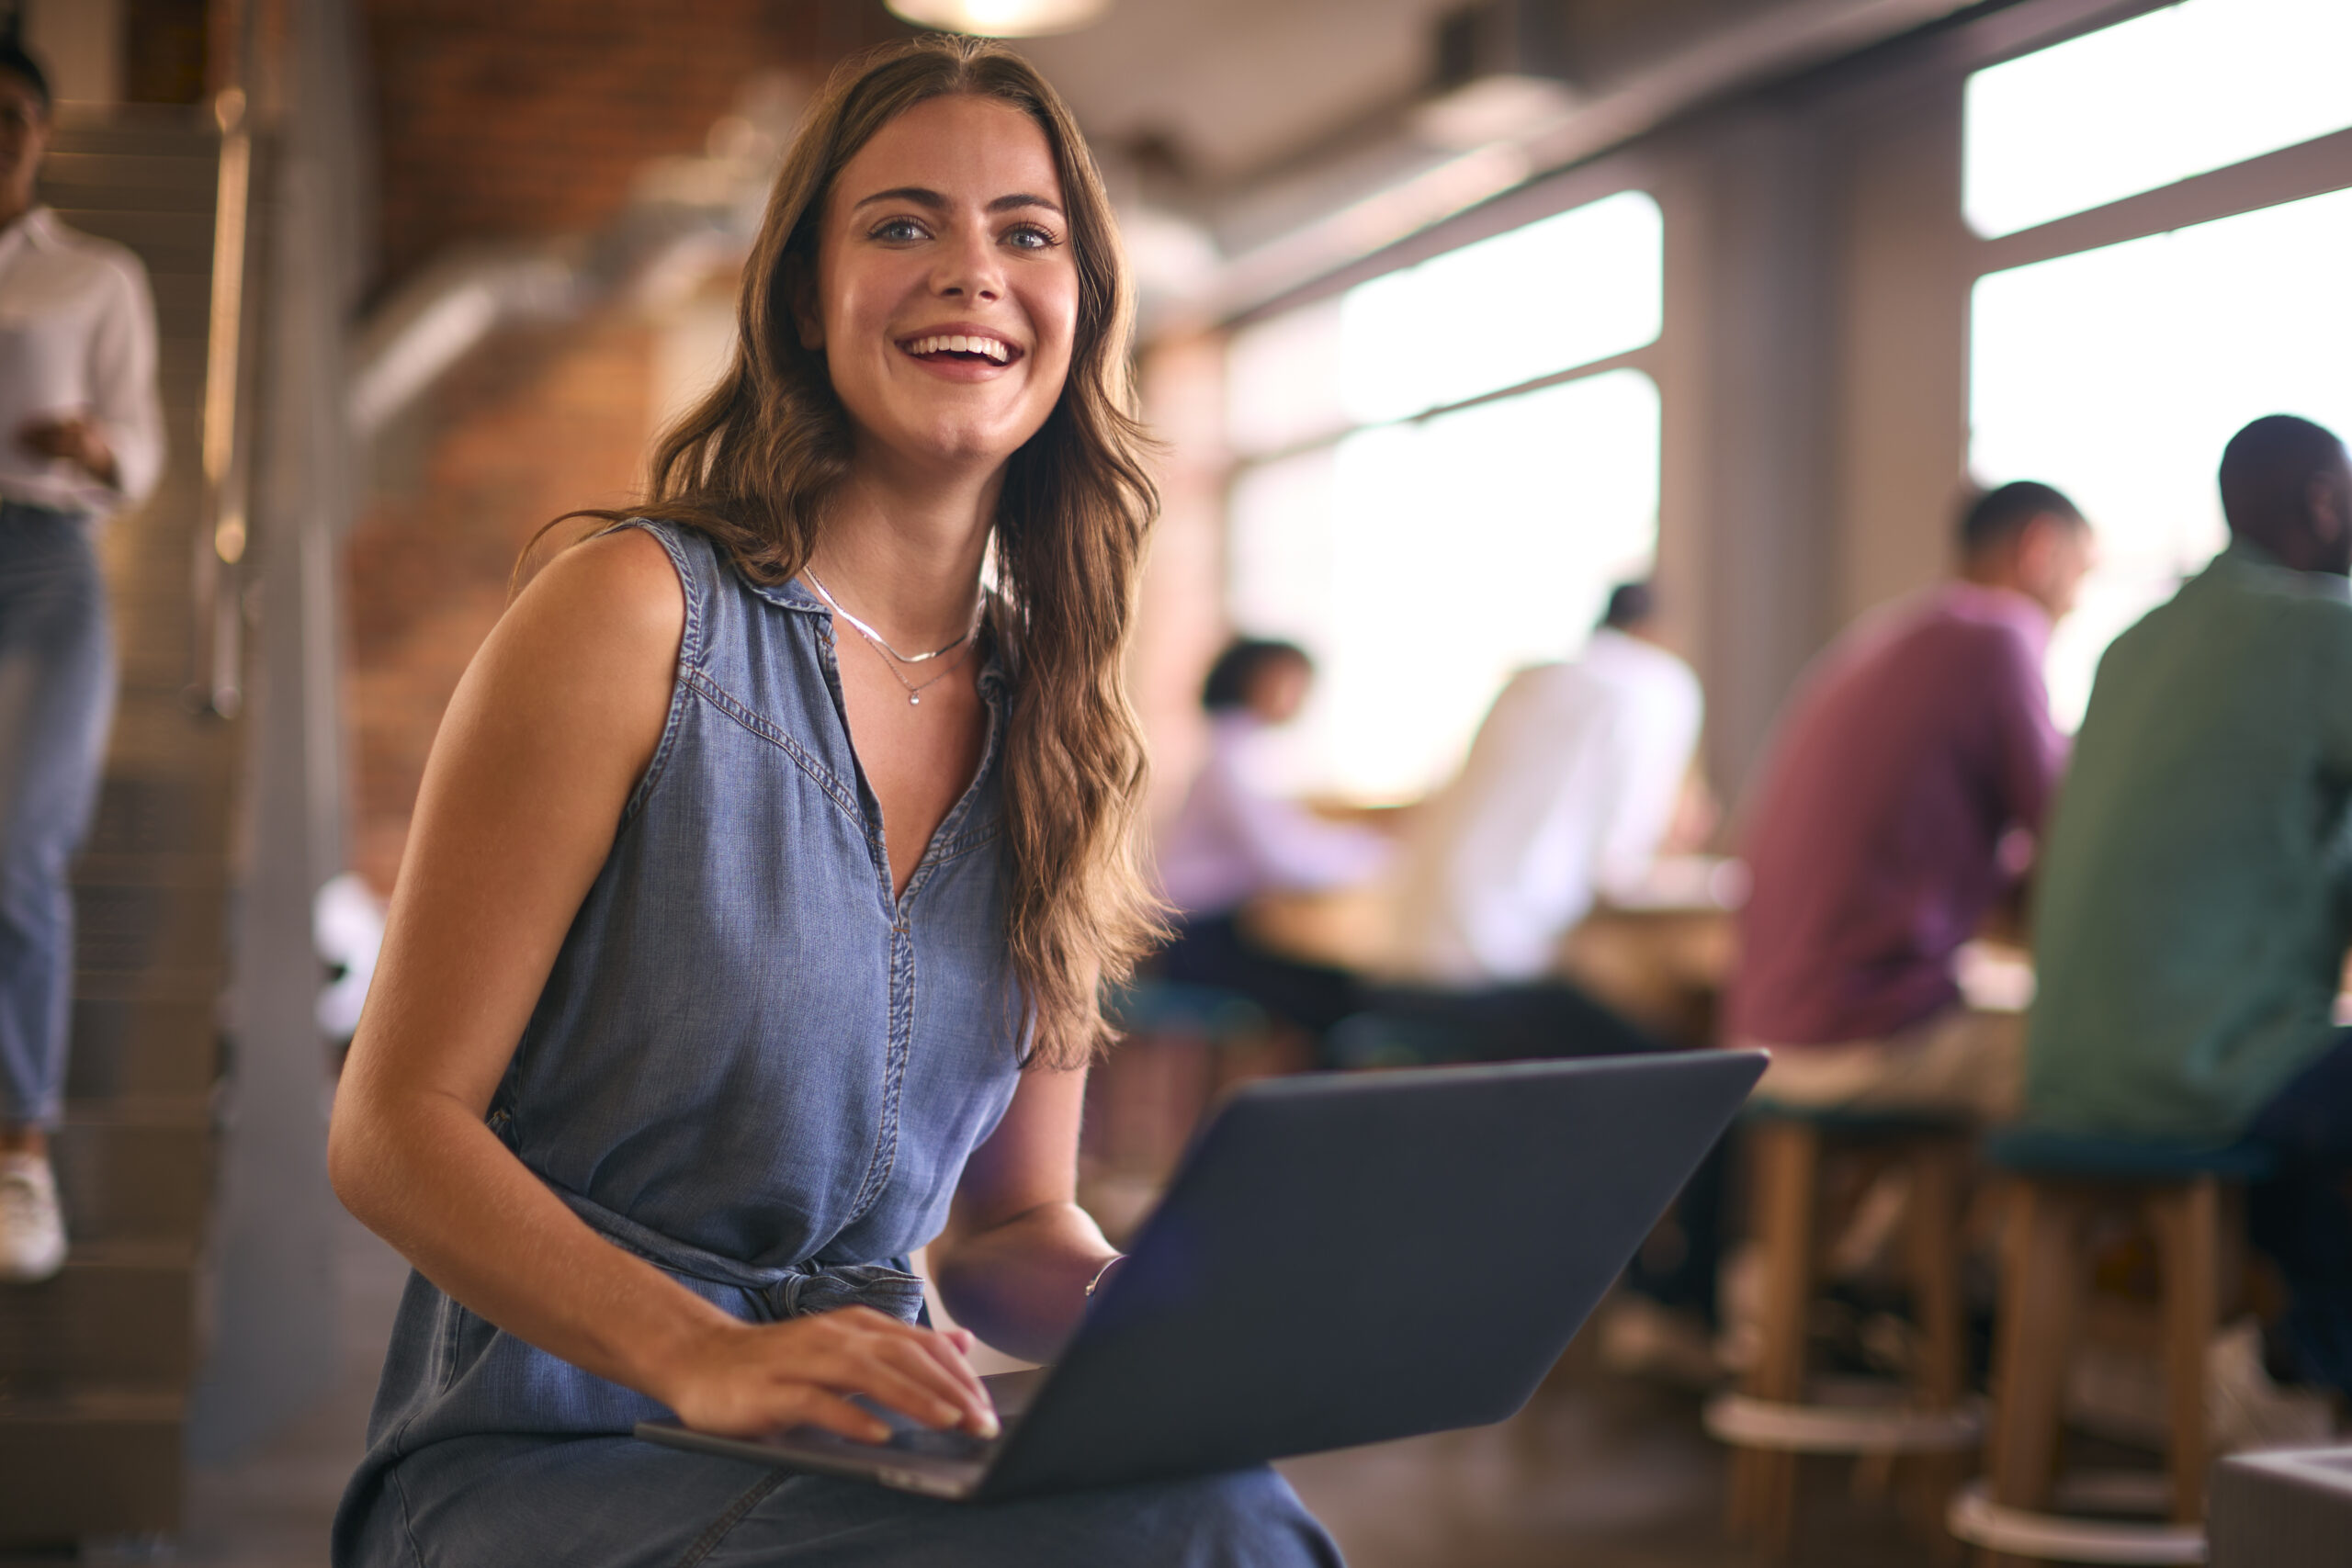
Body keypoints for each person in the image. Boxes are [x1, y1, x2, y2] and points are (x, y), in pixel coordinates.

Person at [327, 38, 1339, 1567]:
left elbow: (1007, 1231)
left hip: (869, 1429)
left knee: (1232, 1512)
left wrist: (1176, 1320)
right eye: (903, 224)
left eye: (1028, 234)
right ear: (806, 296)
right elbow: (393, 1129)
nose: (972, 273)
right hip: (559, 1437)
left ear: (1083, 309)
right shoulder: (628, 613)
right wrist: (701, 1352)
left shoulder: (1065, 729)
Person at [2028, 414, 2352, 1401]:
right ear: (2322, 503)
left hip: (2063, 1071)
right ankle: (2299, 1383)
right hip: (2207, 1077)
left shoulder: (2128, 648)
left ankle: (2296, 1368)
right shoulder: (2322, 629)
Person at [1726, 481, 2091, 1119]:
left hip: (1759, 1031)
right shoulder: (1999, 633)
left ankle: (1911, 1221)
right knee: (2092, 1064)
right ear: (2039, 549)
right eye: (2080, 574)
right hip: (1856, 1039)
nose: (2075, 603)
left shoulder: (1884, 638)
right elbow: (2070, 829)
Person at [0, 40, 164, 1283]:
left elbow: (145, 451)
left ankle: (21, 1150)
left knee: (20, 843)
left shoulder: (92, 275)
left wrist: (92, 443)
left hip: (49, 557)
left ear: (45, 132)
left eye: (12, 117)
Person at [1383, 581, 1704, 987]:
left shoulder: (1531, 678)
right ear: (1658, 631)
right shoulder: (1655, 684)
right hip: (1508, 955)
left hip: (1418, 939)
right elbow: (1623, 851)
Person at [1153, 637, 1389, 1037]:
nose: (1301, 698)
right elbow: (1285, 858)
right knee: (1335, 996)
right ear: (1253, 681)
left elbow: (1296, 842)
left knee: (1329, 989)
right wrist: (1385, 857)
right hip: (1193, 934)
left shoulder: (1244, 753)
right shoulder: (1231, 758)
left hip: (1209, 926)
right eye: (1292, 682)